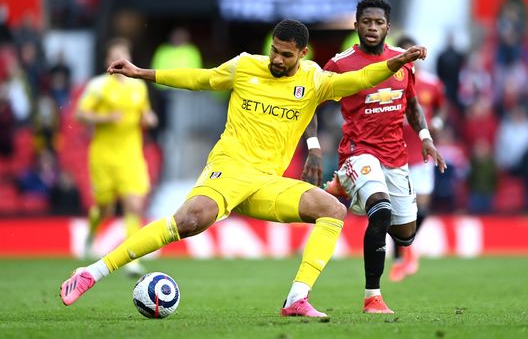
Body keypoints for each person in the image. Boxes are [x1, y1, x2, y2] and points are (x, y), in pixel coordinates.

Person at [59, 19, 426, 317]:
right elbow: (200, 78)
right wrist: (143, 72)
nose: (277, 60)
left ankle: (296, 300)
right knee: (188, 222)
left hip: (267, 182)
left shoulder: (314, 80)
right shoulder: (246, 65)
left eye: (285, 55)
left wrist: (394, 63)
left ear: (301, 53)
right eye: (274, 51)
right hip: (229, 169)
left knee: (332, 209)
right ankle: (92, 272)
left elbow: (358, 80)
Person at [302, 0, 446, 314]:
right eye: (366, 21)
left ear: (387, 28)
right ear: (356, 25)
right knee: (380, 211)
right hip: (358, 151)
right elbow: (312, 102)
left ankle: (343, 186)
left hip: (395, 155)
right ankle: (373, 297)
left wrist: (425, 138)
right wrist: (313, 145)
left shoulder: (401, 61)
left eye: (378, 23)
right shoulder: (340, 64)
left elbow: (412, 103)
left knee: (406, 235)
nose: (372, 28)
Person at [76, 37, 158, 276]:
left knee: (134, 205)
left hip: (131, 155)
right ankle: (91, 236)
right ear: (107, 61)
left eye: (123, 54)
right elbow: (80, 115)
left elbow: (146, 113)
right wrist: (105, 118)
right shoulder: (98, 87)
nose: (119, 60)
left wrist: (149, 118)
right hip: (103, 156)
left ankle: (131, 260)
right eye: (115, 56)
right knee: (106, 209)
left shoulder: (138, 87)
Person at [388, 35, 447, 282]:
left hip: (422, 154)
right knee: (395, 209)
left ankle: (405, 248)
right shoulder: (390, 82)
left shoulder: (431, 84)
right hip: (395, 154)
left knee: (421, 209)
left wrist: (438, 122)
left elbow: (442, 106)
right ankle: (401, 253)